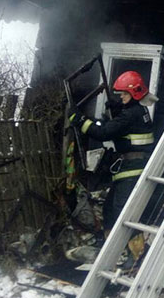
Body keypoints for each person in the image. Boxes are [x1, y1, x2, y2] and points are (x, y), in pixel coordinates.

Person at [67, 70, 157, 264]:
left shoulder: (130, 115)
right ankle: (112, 250)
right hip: (129, 167)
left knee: (123, 212)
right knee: (109, 209)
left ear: (135, 94)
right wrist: (118, 109)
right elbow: (126, 129)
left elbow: (103, 132)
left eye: (124, 94)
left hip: (132, 168)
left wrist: (79, 120)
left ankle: (136, 257)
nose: (121, 97)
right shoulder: (139, 111)